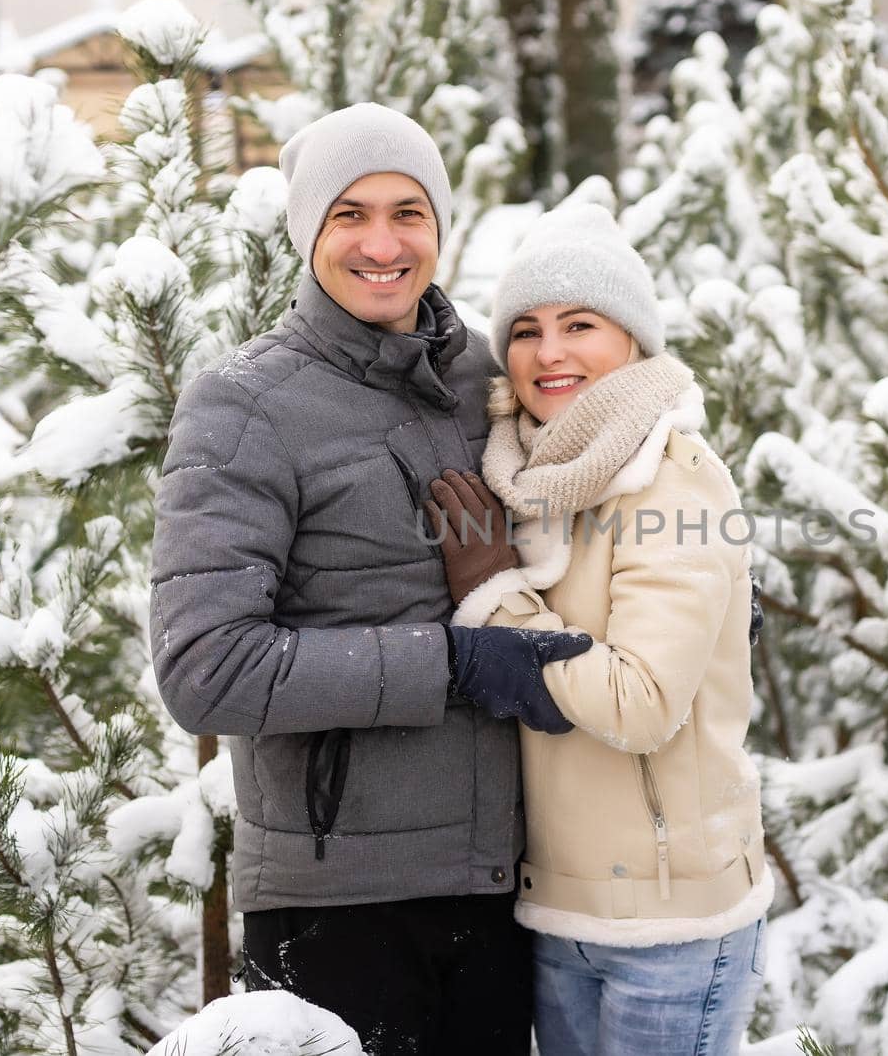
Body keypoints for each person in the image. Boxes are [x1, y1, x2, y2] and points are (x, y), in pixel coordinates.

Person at [149, 103, 590, 1055]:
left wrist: (691, 587)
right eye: (349, 215)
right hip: (339, 903)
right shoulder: (245, 405)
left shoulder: (489, 373)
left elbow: (583, 517)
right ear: (309, 233)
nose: (382, 242)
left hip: (507, 883)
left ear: (440, 227)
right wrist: (451, 663)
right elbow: (204, 667)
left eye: (408, 212)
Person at [425, 203, 771, 1055]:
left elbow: (643, 700)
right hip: (556, 908)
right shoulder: (531, 475)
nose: (550, 353)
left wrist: (498, 595)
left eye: (580, 324)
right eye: (528, 329)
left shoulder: (671, 480)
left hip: (673, 925)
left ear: (633, 339)